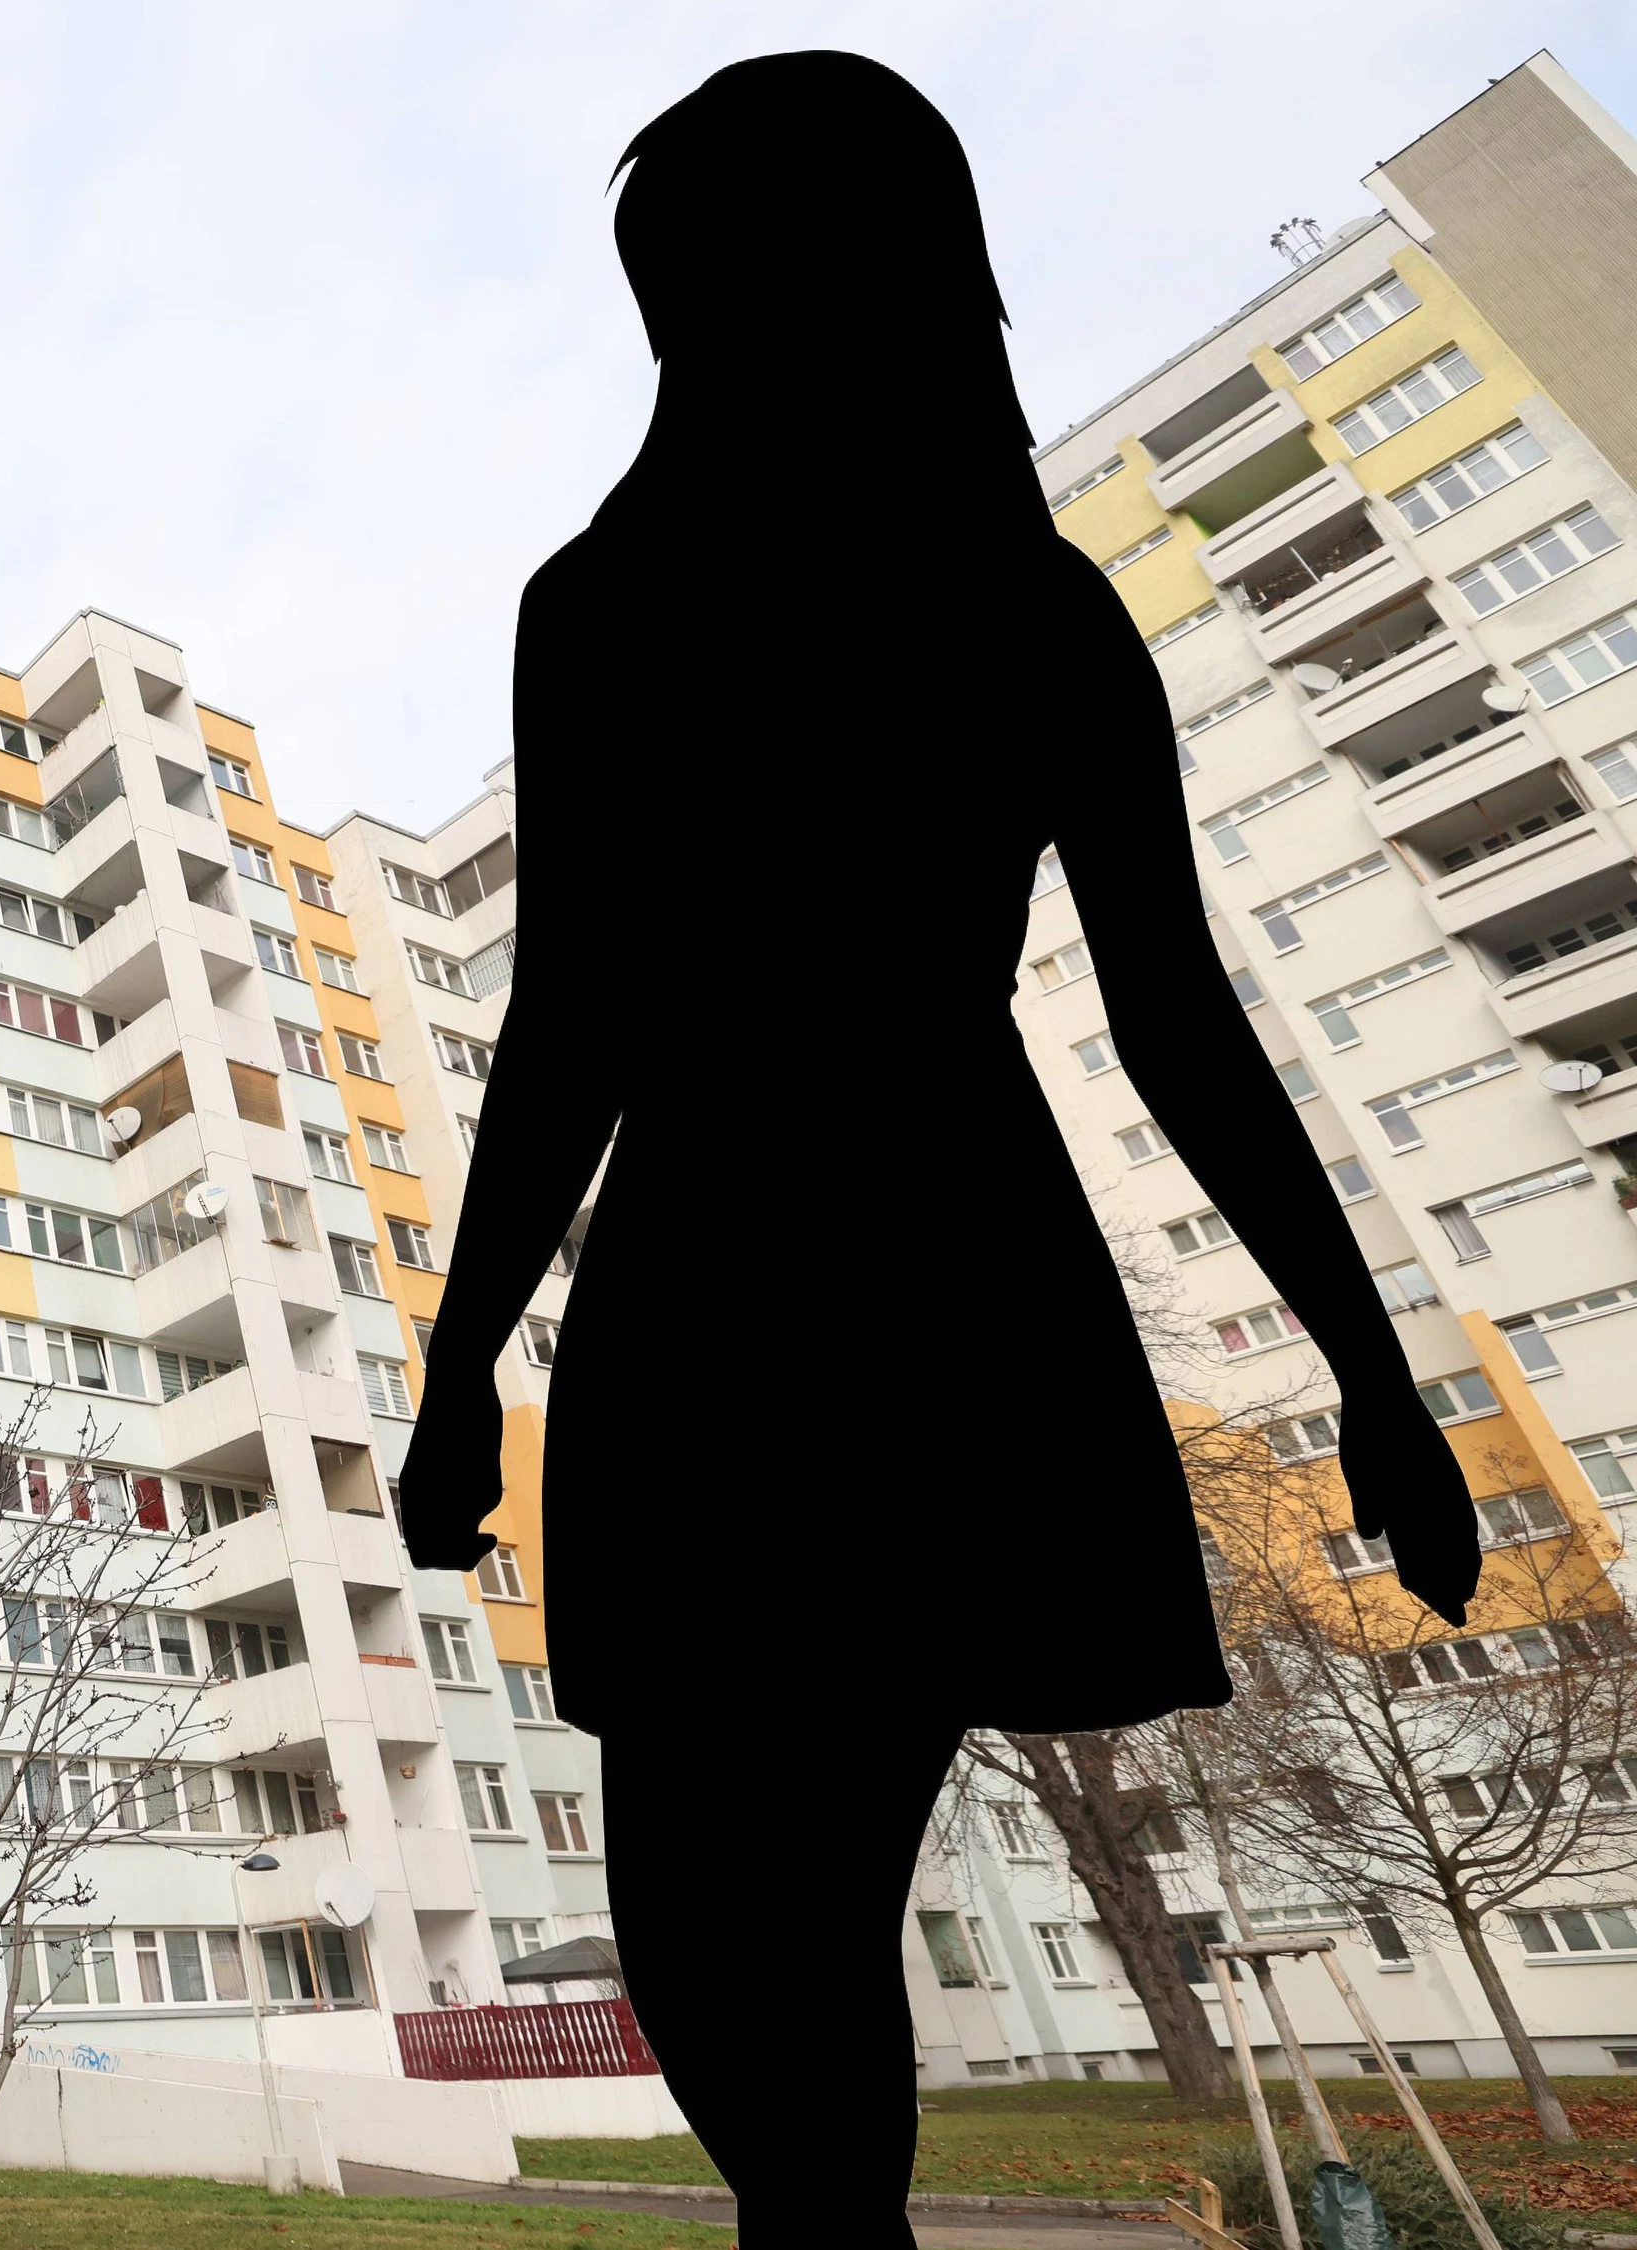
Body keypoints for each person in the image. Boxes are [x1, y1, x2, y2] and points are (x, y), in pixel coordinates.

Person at [393, 51, 1478, 2245]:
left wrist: (1375, 1375)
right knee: (730, 1929)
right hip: (824, 1261)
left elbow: (1174, 1014)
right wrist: (456, 1362)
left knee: (749, 1910)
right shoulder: (678, 607)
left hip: (807, 1270)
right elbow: (569, 1020)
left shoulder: (929, 608)